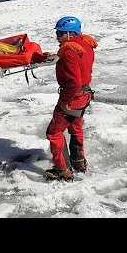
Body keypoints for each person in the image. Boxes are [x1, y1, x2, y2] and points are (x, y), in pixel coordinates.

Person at [45, 16, 98, 181]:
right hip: (85, 95)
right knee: (75, 128)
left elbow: (74, 82)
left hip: (73, 97)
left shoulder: (69, 52)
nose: (57, 37)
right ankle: (78, 161)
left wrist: (64, 102)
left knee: (54, 132)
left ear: (69, 33)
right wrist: (57, 55)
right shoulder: (84, 43)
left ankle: (62, 169)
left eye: (60, 34)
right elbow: (79, 60)